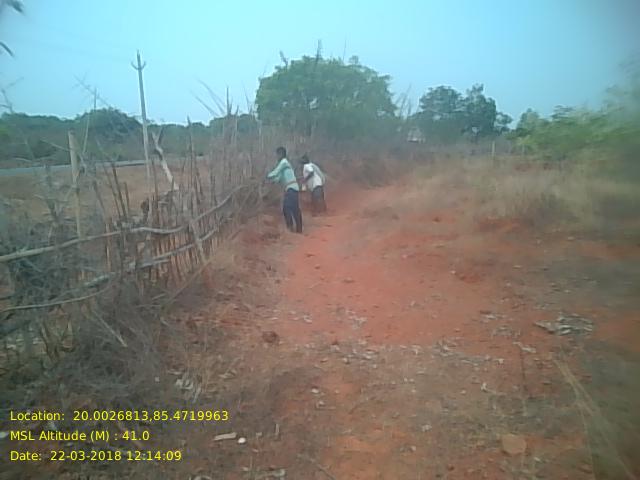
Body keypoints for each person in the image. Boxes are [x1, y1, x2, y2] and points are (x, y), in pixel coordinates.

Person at [266, 147, 303, 233]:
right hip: (292, 188)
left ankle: (290, 228)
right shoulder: (284, 166)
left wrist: (267, 176)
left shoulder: (284, 162)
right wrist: (269, 181)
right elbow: (277, 178)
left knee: (287, 207)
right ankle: (298, 229)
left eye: (277, 154)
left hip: (291, 188)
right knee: (294, 209)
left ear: (281, 154)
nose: (276, 156)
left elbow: (275, 172)